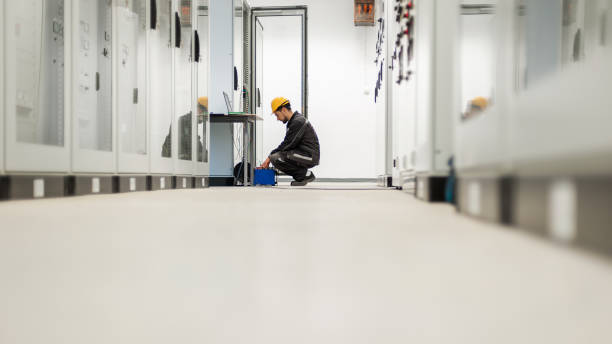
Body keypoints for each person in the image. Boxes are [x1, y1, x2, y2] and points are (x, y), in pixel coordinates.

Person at [259, 97, 320, 186]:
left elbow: (287, 144)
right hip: (303, 153)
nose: (277, 119)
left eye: (277, 115)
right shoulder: (293, 121)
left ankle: (305, 175)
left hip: (310, 156)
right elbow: (288, 144)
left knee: (275, 158)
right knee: (276, 156)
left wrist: (269, 158)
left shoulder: (298, 121)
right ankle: (303, 176)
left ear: (283, 110)